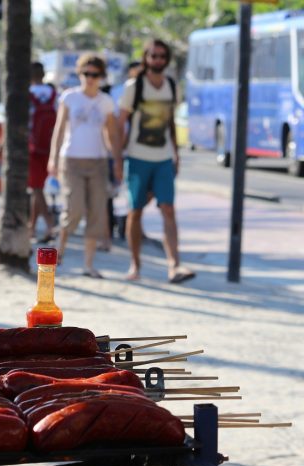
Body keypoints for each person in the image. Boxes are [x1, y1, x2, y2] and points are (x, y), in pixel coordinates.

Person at [117, 39, 195, 284]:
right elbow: (122, 123)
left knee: (168, 209)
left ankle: (174, 265)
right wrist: (118, 157)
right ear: (146, 58)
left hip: (163, 158)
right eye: (153, 56)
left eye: (162, 56)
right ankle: (135, 265)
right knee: (135, 211)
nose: (158, 60)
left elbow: (171, 121)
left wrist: (176, 153)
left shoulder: (172, 86)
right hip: (138, 157)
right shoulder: (134, 87)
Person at [48, 53, 122, 279]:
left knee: (97, 212)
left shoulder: (106, 102)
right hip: (71, 159)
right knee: (74, 208)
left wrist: (117, 160)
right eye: (86, 73)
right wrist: (53, 157)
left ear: (101, 76)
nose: (90, 78)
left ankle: (88, 265)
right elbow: (59, 129)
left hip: (98, 161)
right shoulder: (69, 97)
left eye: (95, 74)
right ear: (79, 74)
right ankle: (59, 248)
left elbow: (111, 133)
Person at [28, 62, 57, 244]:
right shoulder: (54, 94)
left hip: (32, 147)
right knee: (37, 187)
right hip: (50, 147)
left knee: (36, 188)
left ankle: (50, 225)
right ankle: (31, 227)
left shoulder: (27, 94)